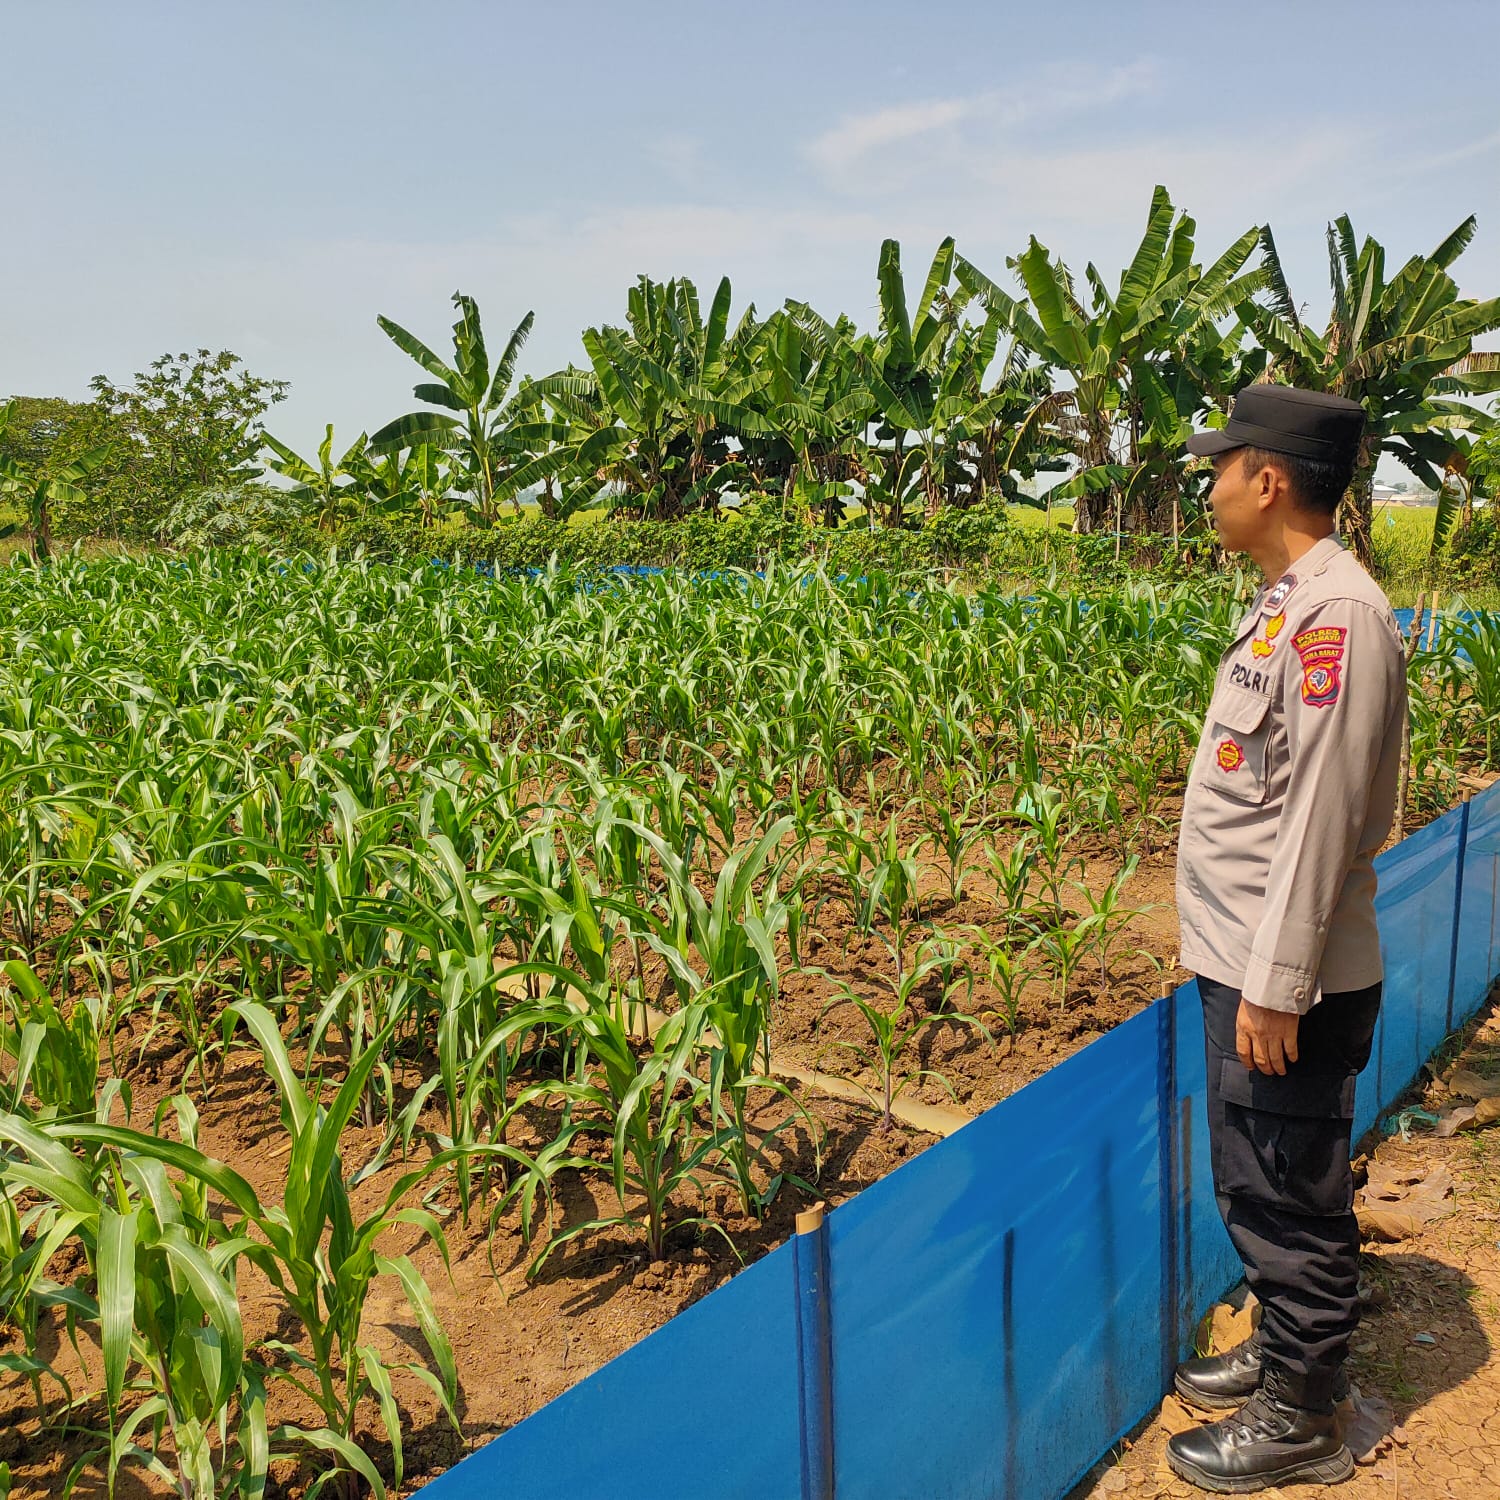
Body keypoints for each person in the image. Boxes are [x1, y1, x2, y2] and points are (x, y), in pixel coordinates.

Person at [1165, 384, 1408, 1493]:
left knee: (1282, 1188)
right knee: (1258, 1174)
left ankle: (1304, 1416)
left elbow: (1319, 816)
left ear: (1267, 481)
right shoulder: (1288, 601)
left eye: (1221, 467)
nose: (1210, 486)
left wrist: (1276, 984)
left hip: (1283, 982)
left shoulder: (1337, 616)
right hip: (1251, 964)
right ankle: (1281, 1348)